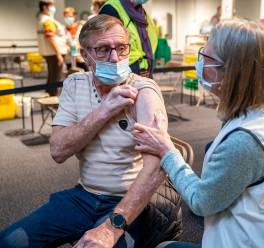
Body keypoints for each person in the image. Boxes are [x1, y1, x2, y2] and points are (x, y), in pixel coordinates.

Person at [133, 19, 264, 248]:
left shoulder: (246, 141)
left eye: (207, 58)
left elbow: (201, 201)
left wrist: (167, 151)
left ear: (231, 73)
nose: (200, 63)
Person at [0, 15, 170, 248]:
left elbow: (158, 166)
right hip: (84, 196)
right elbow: (58, 150)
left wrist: (112, 227)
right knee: (9, 242)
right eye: (102, 49)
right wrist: (103, 111)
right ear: (85, 55)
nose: (115, 57)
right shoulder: (75, 84)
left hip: (128, 200)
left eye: (121, 48)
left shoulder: (143, 90)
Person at [100, 0, 158, 78]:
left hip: (144, 68)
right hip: (123, 68)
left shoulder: (140, 11)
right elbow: (106, 44)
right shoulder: (110, 9)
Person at [37, 0, 67, 96]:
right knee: (55, 78)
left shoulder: (41, 18)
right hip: (54, 53)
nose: (54, 7)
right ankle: (52, 101)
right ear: (45, 7)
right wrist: (58, 54)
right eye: (52, 5)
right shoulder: (47, 20)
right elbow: (51, 38)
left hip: (49, 53)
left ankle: (48, 97)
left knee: (51, 77)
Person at [63, 7, 88, 72]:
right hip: (69, 59)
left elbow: (84, 41)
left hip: (81, 58)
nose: (68, 18)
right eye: (66, 16)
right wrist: (72, 51)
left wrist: (76, 53)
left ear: (74, 16)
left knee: (86, 77)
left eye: (70, 16)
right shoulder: (63, 30)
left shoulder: (80, 27)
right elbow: (63, 43)